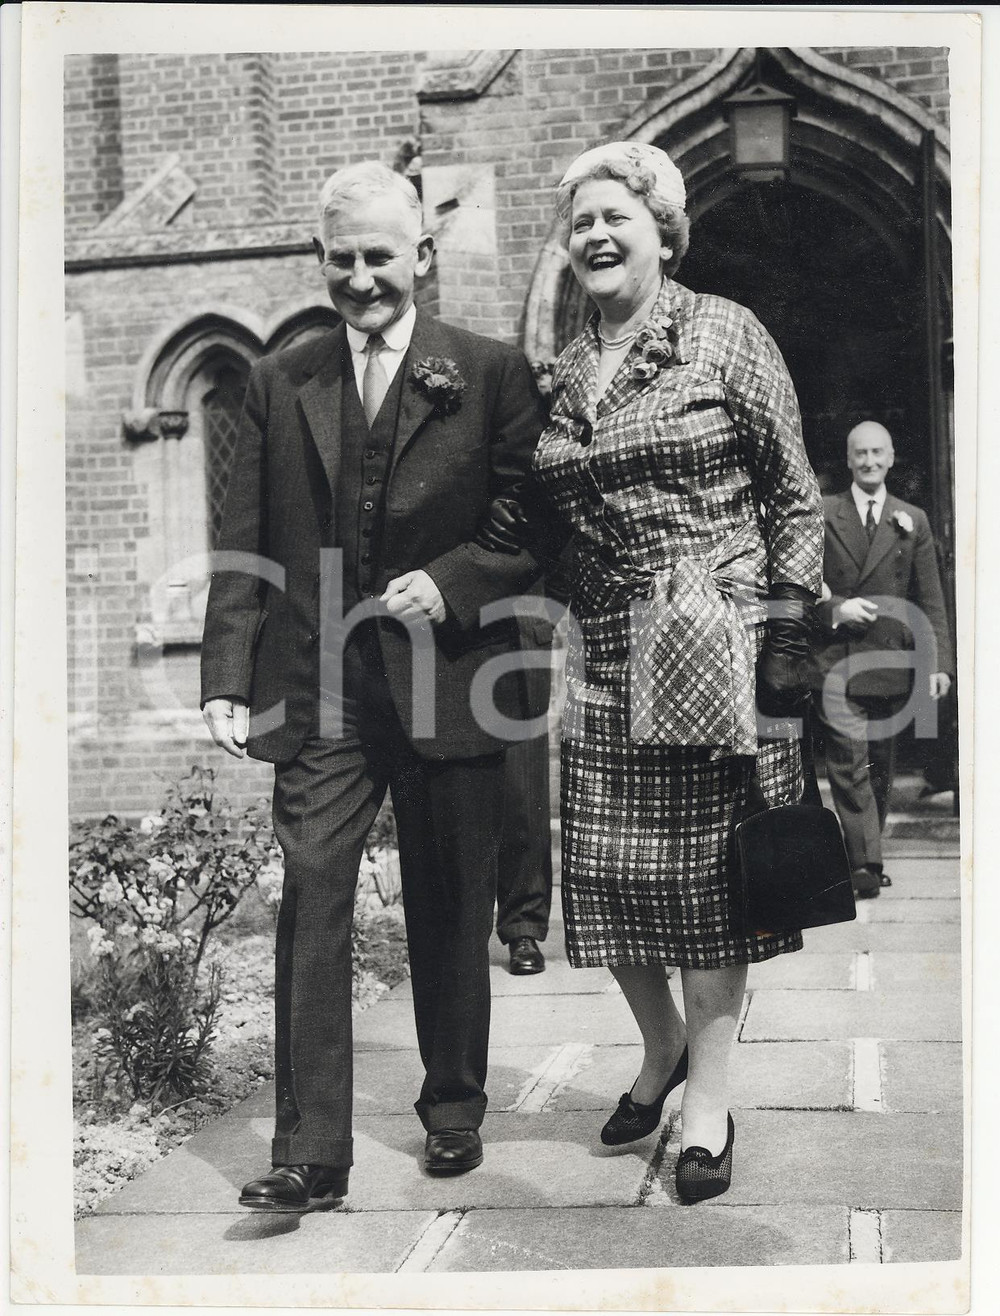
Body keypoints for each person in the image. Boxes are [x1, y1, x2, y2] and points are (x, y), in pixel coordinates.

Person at [201, 161, 546, 1209]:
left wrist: (447, 586)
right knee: (312, 891)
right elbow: (243, 537)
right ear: (321, 260)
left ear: (422, 258)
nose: (360, 277)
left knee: (450, 898)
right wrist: (228, 671)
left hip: (451, 674)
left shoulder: (488, 372)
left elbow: (527, 523)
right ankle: (309, 1149)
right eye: (341, 258)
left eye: (379, 257)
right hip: (319, 685)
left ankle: (451, 1107)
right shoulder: (278, 378)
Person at [520, 141, 824, 1202]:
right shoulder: (559, 368)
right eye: (581, 222)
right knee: (605, 877)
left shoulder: (720, 332)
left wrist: (788, 623)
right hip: (605, 644)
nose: (595, 237)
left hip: (709, 639)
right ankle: (659, 1049)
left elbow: (790, 486)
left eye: (615, 218)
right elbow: (538, 504)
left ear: (661, 231)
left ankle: (707, 1101)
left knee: (705, 885)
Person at [808, 421, 953, 899]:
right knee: (849, 766)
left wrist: (938, 664)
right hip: (839, 661)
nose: (869, 461)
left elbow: (930, 596)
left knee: (881, 769)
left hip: (891, 663)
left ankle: (868, 850)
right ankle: (864, 863)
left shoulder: (912, 519)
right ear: (848, 460)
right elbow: (799, 579)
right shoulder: (824, 512)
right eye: (860, 453)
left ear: (891, 458)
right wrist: (835, 608)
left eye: (878, 453)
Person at [496, 612, 555, 975]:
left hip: (518, 630)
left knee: (523, 792)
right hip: (446, 637)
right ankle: (457, 930)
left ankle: (524, 927)